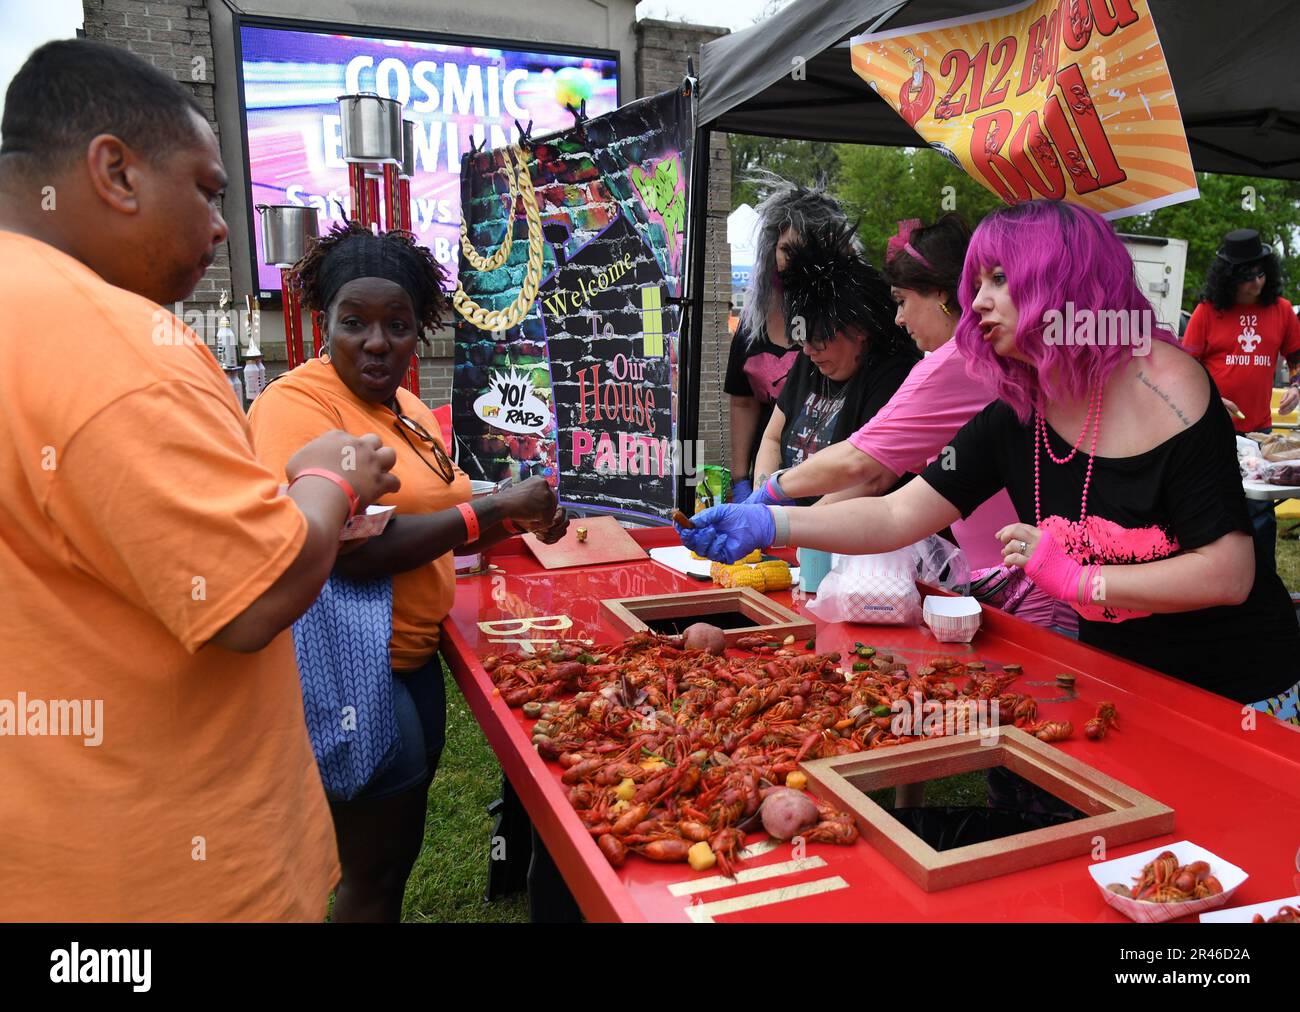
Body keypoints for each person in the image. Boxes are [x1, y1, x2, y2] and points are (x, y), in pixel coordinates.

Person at [0, 40, 399, 920]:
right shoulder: (109, 344)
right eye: (209, 192)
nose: (222, 227)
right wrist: (333, 475)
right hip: (163, 875)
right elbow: (254, 594)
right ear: (116, 171)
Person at [681, 199, 1300, 720]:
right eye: (976, 282)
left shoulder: (1169, 386)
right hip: (1126, 679)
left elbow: (1227, 573)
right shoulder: (1017, 410)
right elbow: (897, 515)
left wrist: (1084, 581)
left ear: (1064, 285)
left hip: (1239, 690)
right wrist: (772, 522)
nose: (977, 301)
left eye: (1000, 280)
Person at [248, 221, 568, 922]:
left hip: (416, 661)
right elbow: (350, 547)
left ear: (419, 329)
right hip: (355, 668)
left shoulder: (410, 410)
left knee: (395, 861)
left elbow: (443, 518)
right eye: (353, 321)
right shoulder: (295, 407)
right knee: (368, 874)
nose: (376, 341)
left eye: (397, 323)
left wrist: (523, 515)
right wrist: (493, 509)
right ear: (322, 320)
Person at [750, 220, 919, 504]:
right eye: (802, 339)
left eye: (819, 339)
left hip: (850, 534)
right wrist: (763, 499)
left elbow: (874, 477)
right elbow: (772, 439)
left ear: (860, 329)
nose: (807, 351)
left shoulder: (895, 373)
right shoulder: (811, 361)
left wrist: (797, 525)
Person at [1182, 228, 1300, 572]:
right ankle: (1216, 576)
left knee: (1261, 512)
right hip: (1211, 429)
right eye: (1249, 277)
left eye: (1262, 273)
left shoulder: (1281, 311)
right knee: (1215, 507)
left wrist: (1295, 384)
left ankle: (1261, 581)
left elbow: (1295, 357)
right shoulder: (1206, 312)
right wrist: (1213, 397)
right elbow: (1185, 367)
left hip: (1259, 433)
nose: (1258, 283)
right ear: (1230, 278)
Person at [724, 180, 848, 501]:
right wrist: (741, 479)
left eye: (801, 248)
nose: (790, 260)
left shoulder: (847, 324)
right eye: (784, 249)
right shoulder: (755, 319)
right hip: (768, 473)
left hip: (831, 481)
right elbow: (743, 401)